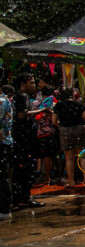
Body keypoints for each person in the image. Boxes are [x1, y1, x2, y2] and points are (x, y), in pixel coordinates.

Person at [11, 74, 43, 209]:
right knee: (26, 169)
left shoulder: (21, 96)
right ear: (23, 84)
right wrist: (42, 110)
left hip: (22, 139)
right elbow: (22, 114)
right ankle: (24, 197)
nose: (34, 85)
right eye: (32, 83)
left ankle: (21, 197)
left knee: (22, 170)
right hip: (24, 141)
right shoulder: (22, 96)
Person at [54, 88, 85, 188]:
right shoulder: (79, 104)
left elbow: (54, 121)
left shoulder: (59, 105)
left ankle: (71, 181)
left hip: (65, 130)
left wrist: (62, 124)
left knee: (69, 157)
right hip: (79, 128)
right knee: (82, 154)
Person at [0, 85, 14, 219]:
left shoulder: (1, 101)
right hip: (5, 143)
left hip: (2, 143)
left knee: (2, 177)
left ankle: (4, 209)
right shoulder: (5, 100)